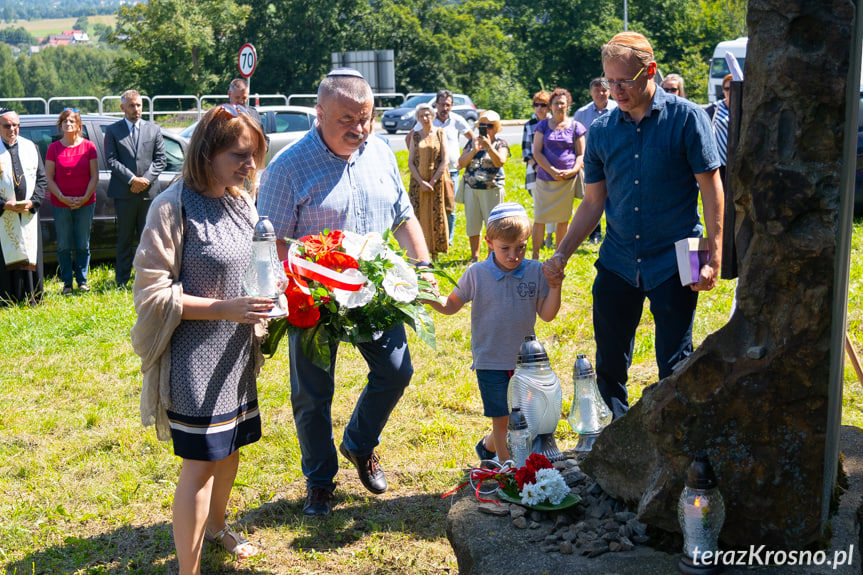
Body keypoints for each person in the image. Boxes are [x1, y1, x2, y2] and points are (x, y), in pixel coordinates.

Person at [256, 68, 434, 517]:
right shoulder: (288, 167)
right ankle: (320, 481)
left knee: (396, 371)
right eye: (347, 120)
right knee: (312, 395)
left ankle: (359, 442)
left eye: (367, 118)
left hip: (374, 292)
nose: (360, 129)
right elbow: (270, 240)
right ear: (319, 113)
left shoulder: (381, 154)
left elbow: (403, 215)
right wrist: (297, 280)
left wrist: (424, 266)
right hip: (313, 298)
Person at [544, 31, 723, 419]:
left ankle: (675, 445)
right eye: (610, 81)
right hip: (617, 260)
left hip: (677, 257)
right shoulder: (604, 130)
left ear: (651, 70)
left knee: (676, 362)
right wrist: (562, 253)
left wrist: (713, 255)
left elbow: (711, 189)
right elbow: (593, 202)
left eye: (625, 80)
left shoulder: (687, 118)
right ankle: (612, 444)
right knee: (608, 363)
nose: (616, 90)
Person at [130, 104, 270, 575]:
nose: (250, 166)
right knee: (200, 465)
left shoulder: (240, 200)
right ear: (206, 152)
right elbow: (151, 293)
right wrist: (224, 309)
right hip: (193, 357)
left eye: (254, 155)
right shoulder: (172, 206)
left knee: (229, 451)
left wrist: (272, 293)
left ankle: (216, 528)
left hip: (235, 355)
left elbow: (252, 266)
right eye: (240, 155)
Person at [428, 202, 561, 462]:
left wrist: (555, 287)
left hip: (526, 363)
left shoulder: (535, 271)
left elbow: (547, 314)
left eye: (520, 247)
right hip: (491, 360)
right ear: (489, 242)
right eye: (505, 248)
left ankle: (488, 448)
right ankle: (508, 469)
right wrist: (427, 296)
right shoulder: (476, 273)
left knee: (524, 417)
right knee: (502, 420)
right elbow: (450, 306)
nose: (514, 255)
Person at [105, 89, 167, 288]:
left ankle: (147, 278)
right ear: (123, 107)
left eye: (139, 105)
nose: (136, 109)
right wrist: (132, 180)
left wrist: (145, 180)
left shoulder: (153, 129)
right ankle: (122, 279)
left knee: (148, 237)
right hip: (125, 194)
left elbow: (161, 160)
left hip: (149, 194)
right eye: (132, 105)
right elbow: (111, 160)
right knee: (124, 237)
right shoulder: (113, 131)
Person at [405, 90, 473, 244]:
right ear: (436, 104)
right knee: (431, 205)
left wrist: (464, 157)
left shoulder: (457, 120)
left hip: (452, 171)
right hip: (430, 172)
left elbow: (472, 139)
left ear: (452, 105)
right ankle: (432, 237)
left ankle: (447, 239)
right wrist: (419, 157)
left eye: (447, 105)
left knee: (449, 206)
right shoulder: (428, 118)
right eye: (441, 104)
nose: (444, 108)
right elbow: (410, 138)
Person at [45, 108, 98, 294]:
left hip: (86, 202)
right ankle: (67, 283)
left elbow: (94, 176)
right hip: (60, 204)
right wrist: (63, 198)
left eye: (72, 121)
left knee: (83, 244)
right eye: (64, 121)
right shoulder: (53, 148)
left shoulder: (89, 146)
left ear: (79, 125)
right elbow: (49, 178)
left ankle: (82, 281)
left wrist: (84, 198)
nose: (68, 124)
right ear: (60, 125)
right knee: (64, 245)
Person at [531, 88, 586, 260]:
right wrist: (552, 170)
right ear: (550, 106)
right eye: (556, 103)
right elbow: (537, 152)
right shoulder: (542, 126)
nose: (559, 106)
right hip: (545, 179)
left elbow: (581, 154)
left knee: (563, 220)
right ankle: (534, 255)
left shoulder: (576, 127)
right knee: (540, 217)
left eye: (562, 103)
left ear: (568, 105)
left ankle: (558, 255)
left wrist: (574, 169)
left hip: (567, 181)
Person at [0, 108, 46, 306]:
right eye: (7, 125)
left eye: (16, 125)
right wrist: (4, 205)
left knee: (29, 254)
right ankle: (8, 299)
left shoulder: (31, 147)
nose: (12, 129)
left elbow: (42, 180)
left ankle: (32, 297)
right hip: (3, 215)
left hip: (28, 213)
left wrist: (33, 201)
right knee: (6, 257)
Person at [458, 109, 509, 262]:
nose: (486, 129)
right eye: (483, 125)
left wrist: (488, 147)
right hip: (471, 188)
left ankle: (490, 256)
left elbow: (500, 161)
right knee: (472, 223)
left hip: (492, 189)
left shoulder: (501, 143)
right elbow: (461, 163)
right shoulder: (472, 142)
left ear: (497, 127)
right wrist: (474, 150)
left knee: (492, 224)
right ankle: (474, 256)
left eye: (490, 126)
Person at [573, 78, 618, 244]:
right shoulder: (581, 113)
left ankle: (613, 231)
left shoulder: (619, 108)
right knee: (593, 197)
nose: (601, 93)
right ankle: (595, 233)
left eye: (604, 90)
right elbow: (576, 139)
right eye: (597, 90)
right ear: (591, 92)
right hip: (591, 162)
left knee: (615, 197)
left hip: (615, 160)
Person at [408, 102, 449, 259]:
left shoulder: (440, 133)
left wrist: (432, 182)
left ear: (432, 116)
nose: (425, 118)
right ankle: (419, 252)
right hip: (418, 182)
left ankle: (435, 252)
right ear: (418, 118)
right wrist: (421, 182)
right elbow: (410, 162)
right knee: (419, 215)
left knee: (436, 214)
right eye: (421, 116)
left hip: (436, 182)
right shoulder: (416, 135)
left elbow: (445, 160)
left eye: (427, 115)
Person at [522, 90, 554, 248]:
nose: (539, 108)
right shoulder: (529, 125)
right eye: (536, 105)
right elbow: (525, 151)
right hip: (534, 171)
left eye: (543, 105)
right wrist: (536, 166)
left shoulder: (554, 123)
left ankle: (549, 236)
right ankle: (539, 238)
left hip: (553, 171)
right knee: (539, 206)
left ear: (549, 107)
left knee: (553, 204)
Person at [228, 78, 268, 147]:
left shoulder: (253, 114)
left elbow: (264, 139)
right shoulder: (222, 114)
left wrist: (262, 150)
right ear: (229, 94)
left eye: (244, 98)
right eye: (237, 97)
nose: (241, 101)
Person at [712, 74, 733, 189]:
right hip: (721, 162)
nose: (729, 91)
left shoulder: (746, 107)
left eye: (732, 88)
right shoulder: (716, 108)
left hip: (740, 160)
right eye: (726, 88)